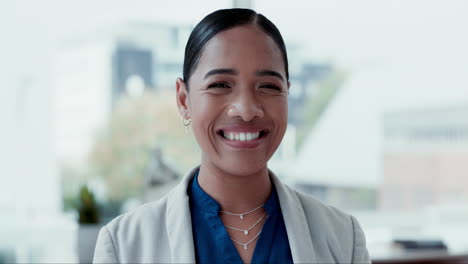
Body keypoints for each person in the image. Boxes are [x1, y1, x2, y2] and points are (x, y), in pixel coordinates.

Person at [93, 8, 370, 264]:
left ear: (287, 93)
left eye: (268, 86)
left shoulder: (344, 238)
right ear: (183, 99)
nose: (247, 110)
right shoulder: (123, 246)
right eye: (221, 85)